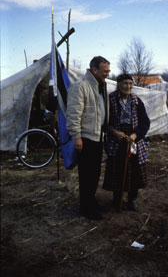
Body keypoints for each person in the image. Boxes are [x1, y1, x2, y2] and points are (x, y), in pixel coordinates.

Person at [66, 56, 110, 220]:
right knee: (86, 175)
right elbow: (73, 114)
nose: (107, 74)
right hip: (85, 139)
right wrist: (76, 137)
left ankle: (91, 202)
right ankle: (86, 208)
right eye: (105, 71)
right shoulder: (80, 87)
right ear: (94, 70)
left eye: (108, 71)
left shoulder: (100, 87)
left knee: (95, 173)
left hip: (97, 137)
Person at [103, 74, 150, 211]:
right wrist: (114, 132)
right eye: (125, 83)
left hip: (133, 139)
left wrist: (135, 135)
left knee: (134, 169)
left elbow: (145, 122)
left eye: (130, 83)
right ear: (118, 84)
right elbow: (104, 122)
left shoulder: (136, 101)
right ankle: (117, 198)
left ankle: (132, 199)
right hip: (117, 140)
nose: (128, 86)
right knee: (117, 169)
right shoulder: (110, 100)